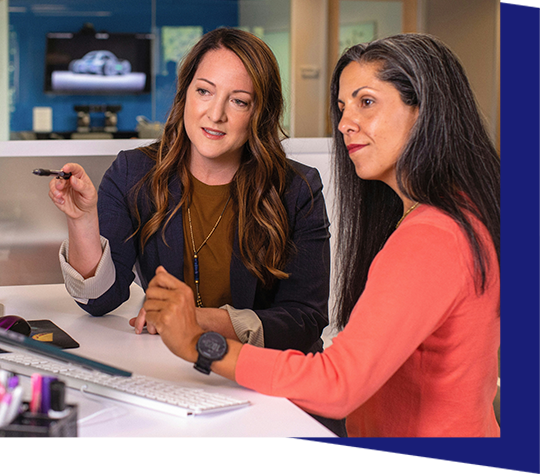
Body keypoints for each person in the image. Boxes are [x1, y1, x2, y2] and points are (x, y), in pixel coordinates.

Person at [143, 33, 500, 437]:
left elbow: (338, 384)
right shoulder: (455, 214)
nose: (346, 123)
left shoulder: (433, 236)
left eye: (367, 102)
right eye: (343, 107)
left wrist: (199, 344)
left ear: (425, 112)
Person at [49, 28, 343, 434]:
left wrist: (198, 323)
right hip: (178, 382)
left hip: (271, 388)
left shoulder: (296, 187)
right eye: (204, 91)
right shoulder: (134, 172)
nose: (215, 114)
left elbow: (305, 320)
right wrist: (81, 220)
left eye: (238, 101)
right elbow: (100, 300)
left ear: (260, 113)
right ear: (185, 93)